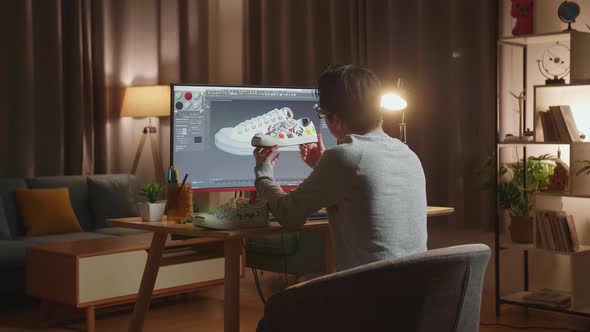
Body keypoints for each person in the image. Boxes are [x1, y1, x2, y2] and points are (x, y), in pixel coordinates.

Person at [253, 64, 427, 271]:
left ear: (333, 117)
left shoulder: (344, 157)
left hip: (371, 295)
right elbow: (360, 185)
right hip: (413, 292)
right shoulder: (408, 154)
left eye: (322, 113)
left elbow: (290, 214)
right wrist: (321, 163)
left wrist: (263, 170)